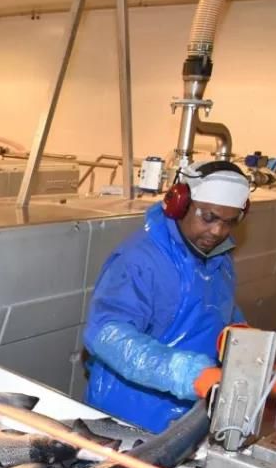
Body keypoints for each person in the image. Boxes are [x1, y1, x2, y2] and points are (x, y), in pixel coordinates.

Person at [83, 160, 252, 433]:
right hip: (129, 413)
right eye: (209, 217)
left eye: (230, 222)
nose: (218, 232)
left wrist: (245, 343)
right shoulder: (139, 260)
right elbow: (107, 335)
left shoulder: (218, 258)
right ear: (180, 204)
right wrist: (191, 374)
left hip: (191, 412)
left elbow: (218, 309)